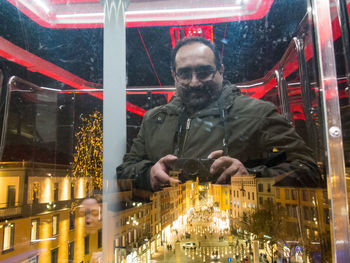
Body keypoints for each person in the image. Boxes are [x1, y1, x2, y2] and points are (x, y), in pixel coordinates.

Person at [117, 37, 321, 191]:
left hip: (243, 236)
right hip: (168, 236)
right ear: (174, 76)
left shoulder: (258, 113)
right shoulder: (154, 120)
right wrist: (149, 175)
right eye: (185, 74)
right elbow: (124, 172)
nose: (194, 82)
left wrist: (250, 177)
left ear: (220, 71)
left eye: (204, 72)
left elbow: (310, 171)